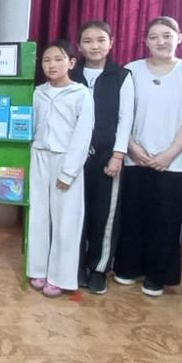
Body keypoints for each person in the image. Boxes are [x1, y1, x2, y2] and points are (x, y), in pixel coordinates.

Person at [114, 16, 182, 297]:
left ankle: (157, 276)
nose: (161, 41)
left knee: (166, 222)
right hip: (135, 158)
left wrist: (169, 154)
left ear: (179, 38)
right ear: (145, 41)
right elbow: (121, 115)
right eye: (154, 36)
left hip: (175, 163)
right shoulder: (131, 70)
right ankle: (128, 268)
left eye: (167, 35)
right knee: (132, 217)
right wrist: (132, 148)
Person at [69, 20, 133, 295]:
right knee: (74, 212)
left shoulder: (122, 76)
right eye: (88, 41)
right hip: (74, 156)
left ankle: (98, 268)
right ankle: (74, 265)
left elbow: (125, 119)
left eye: (100, 40)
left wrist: (118, 155)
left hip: (107, 156)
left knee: (104, 214)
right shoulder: (71, 74)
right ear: (79, 46)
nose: (94, 46)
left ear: (111, 43)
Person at [28, 40, 95, 295]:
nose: (51, 65)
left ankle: (60, 277)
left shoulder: (81, 94)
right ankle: (37, 269)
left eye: (58, 59)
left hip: (66, 160)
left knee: (66, 220)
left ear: (71, 62)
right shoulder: (38, 92)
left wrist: (69, 172)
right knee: (38, 215)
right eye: (46, 60)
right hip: (39, 156)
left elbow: (83, 135)